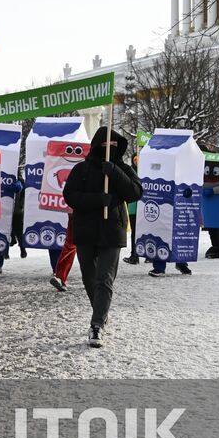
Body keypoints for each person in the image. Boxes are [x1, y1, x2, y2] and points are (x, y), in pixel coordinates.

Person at [62, 127, 142, 348]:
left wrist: (114, 172)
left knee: (104, 278)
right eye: (107, 145)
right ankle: (101, 311)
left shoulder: (122, 169)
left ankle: (96, 324)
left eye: (115, 146)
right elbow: (70, 195)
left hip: (112, 231)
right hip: (85, 231)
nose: (111, 149)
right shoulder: (81, 169)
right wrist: (98, 200)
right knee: (90, 277)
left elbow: (136, 192)